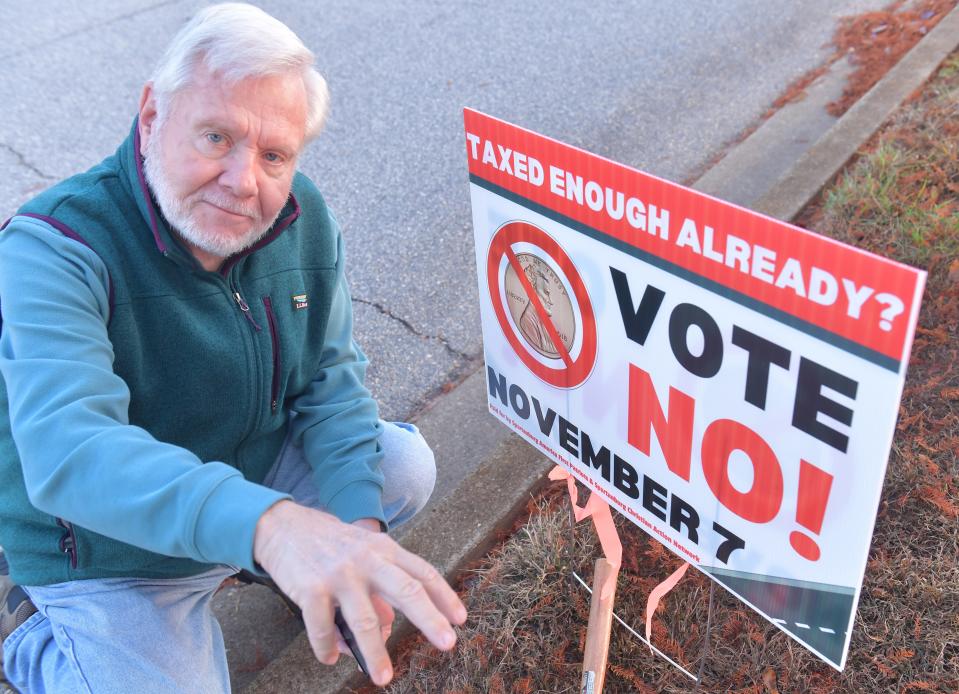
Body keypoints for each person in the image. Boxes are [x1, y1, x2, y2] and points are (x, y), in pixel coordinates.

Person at [0, 4, 466, 692]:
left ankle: (264, 557)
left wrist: (355, 536)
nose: (245, 181)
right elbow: (74, 451)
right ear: (152, 115)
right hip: (107, 543)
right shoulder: (54, 247)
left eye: (274, 154)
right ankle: (35, 632)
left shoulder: (298, 215)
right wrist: (273, 528)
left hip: (239, 479)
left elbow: (330, 382)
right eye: (217, 137)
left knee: (398, 467)